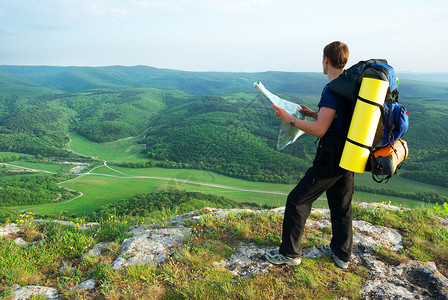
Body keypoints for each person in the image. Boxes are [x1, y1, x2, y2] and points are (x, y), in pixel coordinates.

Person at [266, 41, 353, 269]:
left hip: (331, 156)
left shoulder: (332, 89)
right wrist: (314, 113)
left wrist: (290, 119)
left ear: (326, 60)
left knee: (297, 200)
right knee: (341, 206)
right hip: (350, 154)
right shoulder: (348, 86)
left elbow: (321, 130)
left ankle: (290, 254)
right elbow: (336, 120)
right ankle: (341, 255)